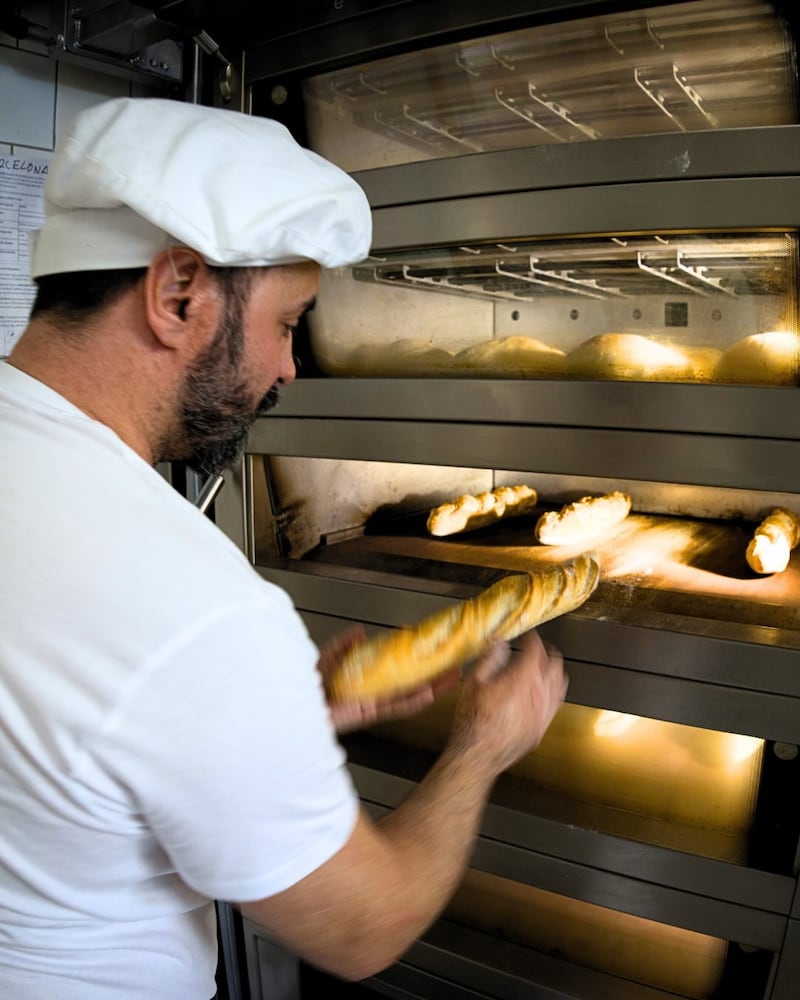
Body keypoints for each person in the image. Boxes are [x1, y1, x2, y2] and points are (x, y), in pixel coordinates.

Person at [0, 97, 568, 1000]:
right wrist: (481, 747)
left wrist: (264, 721)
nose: (287, 369)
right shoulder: (195, 605)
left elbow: (77, 733)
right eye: (287, 322)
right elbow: (364, 926)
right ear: (179, 292)